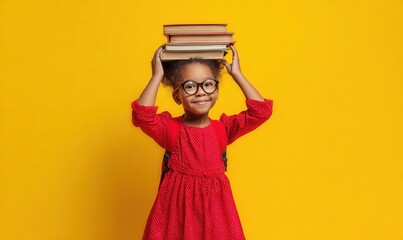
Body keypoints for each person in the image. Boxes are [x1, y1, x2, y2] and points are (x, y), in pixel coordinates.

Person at [131, 45, 273, 239]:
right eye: (190, 86)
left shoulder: (222, 129)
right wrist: (156, 76)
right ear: (177, 96)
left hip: (217, 215)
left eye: (208, 84)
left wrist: (237, 74)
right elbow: (142, 116)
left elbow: (261, 112)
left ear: (216, 89)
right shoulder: (170, 129)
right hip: (176, 215)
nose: (200, 92)